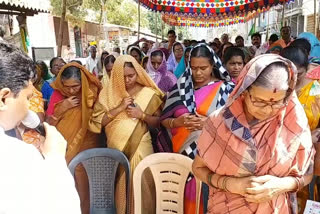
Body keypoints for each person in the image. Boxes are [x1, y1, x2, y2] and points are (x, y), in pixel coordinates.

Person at [192, 54, 315, 214]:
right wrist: (230, 184)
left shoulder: (294, 121)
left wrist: (280, 186)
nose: (268, 109)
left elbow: (307, 174)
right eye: (259, 101)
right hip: (225, 208)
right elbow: (198, 168)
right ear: (243, 91)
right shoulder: (218, 122)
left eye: (276, 102)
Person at [0, 41, 81, 214]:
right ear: (4, 98)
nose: (28, 107)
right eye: (27, 99)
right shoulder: (17, 156)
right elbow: (63, 208)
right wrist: (55, 160)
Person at [157, 44, 235, 214]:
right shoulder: (180, 88)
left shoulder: (226, 90)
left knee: (207, 201)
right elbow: (164, 120)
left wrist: (209, 123)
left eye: (203, 68)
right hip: (182, 159)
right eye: (193, 68)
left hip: (212, 162)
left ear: (213, 65)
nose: (198, 73)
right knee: (185, 201)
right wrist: (177, 122)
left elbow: (237, 126)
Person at [89, 55, 164, 214]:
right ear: (115, 76)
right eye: (122, 77)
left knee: (143, 187)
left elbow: (160, 122)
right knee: (120, 191)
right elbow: (98, 123)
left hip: (141, 148)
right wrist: (120, 107)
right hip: (116, 151)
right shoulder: (107, 95)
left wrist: (141, 115)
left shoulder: (149, 93)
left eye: (131, 75)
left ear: (138, 73)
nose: (128, 80)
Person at [46, 62, 102, 214]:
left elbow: (99, 120)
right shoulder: (58, 94)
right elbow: (49, 123)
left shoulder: (92, 93)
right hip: (64, 149)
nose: (71, 91)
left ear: (82, 82)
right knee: (67, 188)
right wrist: (62, 108)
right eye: (67, 86)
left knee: (85, 188)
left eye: (75, 86)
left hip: (88, 147)